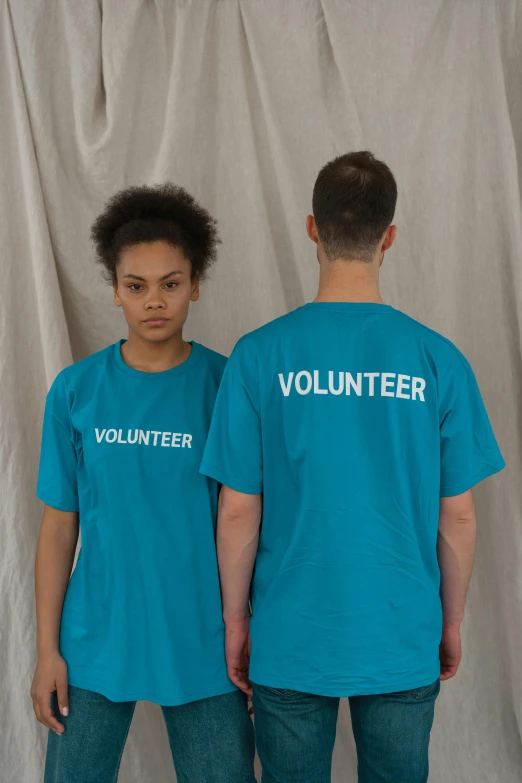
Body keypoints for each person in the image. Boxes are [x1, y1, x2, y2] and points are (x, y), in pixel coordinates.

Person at [199, 151, 506, 783]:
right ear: (389, 237)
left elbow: (237, 511)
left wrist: (236, 623)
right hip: (400, 630)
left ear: (312, 228)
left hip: (290, 632)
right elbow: (459, 517)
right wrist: (449, 623)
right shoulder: (438, 360)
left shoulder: (258, 358)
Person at [31, 184, 256, 783]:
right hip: (95, 641)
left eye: (171, 283)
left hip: (205, 643)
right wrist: (46, 649)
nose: (154, 301)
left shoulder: (227, 386)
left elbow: (255, 521)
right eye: (136, 286)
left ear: (195, 283)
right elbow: (58, 527)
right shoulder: (75, 392)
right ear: (114, 288)